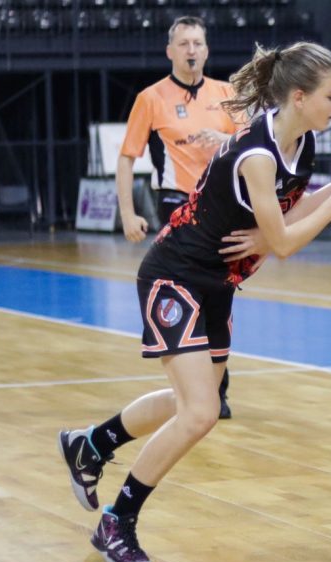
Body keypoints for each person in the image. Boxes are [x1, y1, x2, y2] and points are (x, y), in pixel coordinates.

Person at [58, 41, 331, 562]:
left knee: (190, 400)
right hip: (175, 274)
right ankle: (118, 520)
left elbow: (293, 207)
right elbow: (283, 243)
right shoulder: (257, 154)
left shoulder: (301, 140)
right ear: (300, 97)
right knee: (201, 412)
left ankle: (93, 443)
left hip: (217, 282)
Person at [117, 16, 242, 418]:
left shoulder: (227, 94)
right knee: (193, 289)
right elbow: (127, 158)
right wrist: (128, 213)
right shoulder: (151, 98)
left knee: (219, 292)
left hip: (223, 207)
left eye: (198, 43)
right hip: (178, 203)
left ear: (207, 50)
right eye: (184, 43)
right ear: (170, 51)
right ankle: (198, 388)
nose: (192, 50)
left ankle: (214, 386)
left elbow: (251, 146)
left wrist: (225, 139)